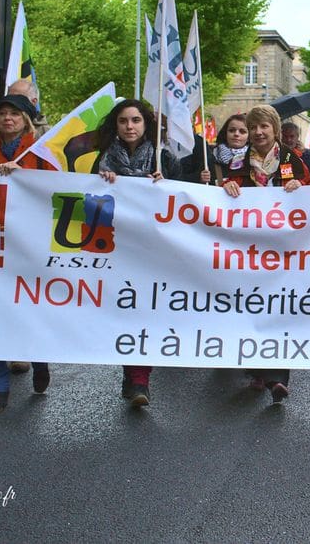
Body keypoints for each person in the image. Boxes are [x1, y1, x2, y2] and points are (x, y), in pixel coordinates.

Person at [93, 99, 180, 408]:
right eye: (123, 121)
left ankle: (139, 379)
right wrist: (103, 185)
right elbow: (89, 205)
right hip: (117, 249)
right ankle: (131, 374)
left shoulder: (163, 158)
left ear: (146, 125)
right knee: (124, 309)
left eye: (135, 121)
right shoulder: (101, 161)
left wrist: (164, 184)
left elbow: (184, 200)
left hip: (153, 250)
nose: (129, 126)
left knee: (146, 311)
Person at [219, 104, 309, 406]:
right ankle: (259, 371)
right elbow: (225, 194)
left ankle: (277, 379)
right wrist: (226, 185)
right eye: (253, 127)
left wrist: (301, 186)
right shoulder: (239, 163)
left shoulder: (291, 161)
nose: (258, 132)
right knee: (252, 307)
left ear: (275, 130)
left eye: (264, 127)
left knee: (278, 309)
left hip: (283, 250)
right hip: (249, 249)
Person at [0, 94, 54, 415]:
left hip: (30, 241)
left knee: (30, 305)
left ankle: (40, 359)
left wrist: (23, 173)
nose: (8, 119)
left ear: (26, 120)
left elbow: (54, 186)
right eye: (3, 113)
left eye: (15, 114)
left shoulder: (39, 149)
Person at [210, 113, 249, 185]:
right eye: (232, 130)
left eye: (242, 131)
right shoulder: (210, 157)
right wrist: (201, 179)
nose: (236, 134)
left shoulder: (254, 161)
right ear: (225, 133)